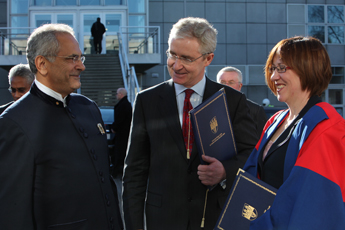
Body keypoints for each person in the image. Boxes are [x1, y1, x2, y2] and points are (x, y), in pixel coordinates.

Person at [122, 17, 258, 230]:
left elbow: (252, 154)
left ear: (208, 58)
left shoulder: (232, 101)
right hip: (162, 220)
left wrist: (225, 171)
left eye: (185, 58)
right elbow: (134, 172)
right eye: (172, 54)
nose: (176, 65)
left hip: (213, 218)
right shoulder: (146, 101)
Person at [0, 23, 123, 230]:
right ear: (42, 64)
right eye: (71, 58)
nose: (81, 66)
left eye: (80, 58)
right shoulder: (14, 122)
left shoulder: (89, 108)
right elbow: (13, 213)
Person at [243, 36, 345, 229]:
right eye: (272, 68)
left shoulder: (326, 127)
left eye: (282, 68)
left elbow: (307, 205)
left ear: (308, 68)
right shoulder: (275, 120)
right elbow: (251, 177)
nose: (273, 77)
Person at [217, 66, 267, 139]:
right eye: (222, 82)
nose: (226, 86)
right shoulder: (209, 109)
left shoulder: (255, 110)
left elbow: (262, 141)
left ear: (240, 86)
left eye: (231, 82)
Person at [111, 87, 132, 178]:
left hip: (121, 134)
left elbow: (120, 119)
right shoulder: (127, 104)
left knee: (119, 153)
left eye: (117, 93)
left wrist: (114, 127)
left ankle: (116, 172)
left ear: (120, 94)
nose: (116, 95)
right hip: (125, 133)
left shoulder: (122, 105)